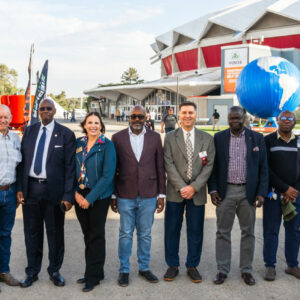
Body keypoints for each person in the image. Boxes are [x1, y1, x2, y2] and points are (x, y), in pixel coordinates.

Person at [17, 98, 76, 288]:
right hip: (31, 190)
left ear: (54, 111)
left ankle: (54, 271)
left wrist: (68, 196)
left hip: (54, 193)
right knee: (32, 234)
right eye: (42, 109)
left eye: (48, 108)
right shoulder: (29, 131)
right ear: (39, 112)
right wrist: (20, 188)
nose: (45, 111)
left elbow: (70, 169)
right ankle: (32, 272)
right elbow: (22, 163)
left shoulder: (66, 134)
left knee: (55, 233)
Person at [208, 106, 268, 286]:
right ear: (228, 119)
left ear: (244, 119)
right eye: (232, 118)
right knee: (222, 232)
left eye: (238, 118)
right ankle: (222, 270)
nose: (235, 121)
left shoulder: (256, 138)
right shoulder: (218, 138)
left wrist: (261, 193)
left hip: (247, 193)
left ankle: (246, 270)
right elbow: (212, 166)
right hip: (225, 191)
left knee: (248, 232)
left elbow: (263, 168)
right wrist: (213, 189)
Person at [111, 105, 166, 287]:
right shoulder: (117, 138)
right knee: (125, 233)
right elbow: (113, 169)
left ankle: (144, 267)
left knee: (145, 234)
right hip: (125, 193)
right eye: (133, 116)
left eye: (140, 117)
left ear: (146, 118)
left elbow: (160, 167)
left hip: (149, 194)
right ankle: (124, 270)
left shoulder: (155, 137)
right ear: (129, 117)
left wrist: (161, 194)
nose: (136, 120)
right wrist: (113, 195)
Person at [163, 101, 215, 283]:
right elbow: (168, 163)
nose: (187, 116)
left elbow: (208, 166)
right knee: (171, 229)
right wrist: (182, 186)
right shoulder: (170, 138)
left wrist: (194, 187)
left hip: (197, 192)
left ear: (195, 114)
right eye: (184, 112)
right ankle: (172, 265)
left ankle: (192, 265)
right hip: (175, 192)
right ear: (179, 115)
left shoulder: (207, 139)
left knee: (195, 230)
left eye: (190, 113)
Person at [75, 112, 116, 292]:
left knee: (96, 235)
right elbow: (71, 169)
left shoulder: (107, 145)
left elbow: (108, 176)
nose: (93, 126)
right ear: (84, 125)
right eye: (90, 122)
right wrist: (76, 195)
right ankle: (92, 272)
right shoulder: (79, 144)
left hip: (98, 196)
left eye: (96, 123)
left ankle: (93, 277)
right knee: (87, 235)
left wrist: (89, 199)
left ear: (101, 125)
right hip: (80, 194)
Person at [263, 110, 300, 281]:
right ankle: (270, 266)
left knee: (294, 230)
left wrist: (293, 191)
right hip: (274, 194)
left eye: (289, 119)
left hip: (295, 195)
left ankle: (292, 265)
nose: (286, 121)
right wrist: (285, 188)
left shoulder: (299, 142)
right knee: (271, 231)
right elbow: (266, 169)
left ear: (294, 122)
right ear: (277, 121)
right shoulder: (268, 141)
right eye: (283, 118)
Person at [0, 105, 22, 291]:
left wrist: (18, 191)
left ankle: (4, 271)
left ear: (11, 118)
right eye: (0, 117)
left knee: (5, 234)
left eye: (6, 117)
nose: (3, 120)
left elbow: (19, 166)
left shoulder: (15, 138)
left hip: (10, 191)